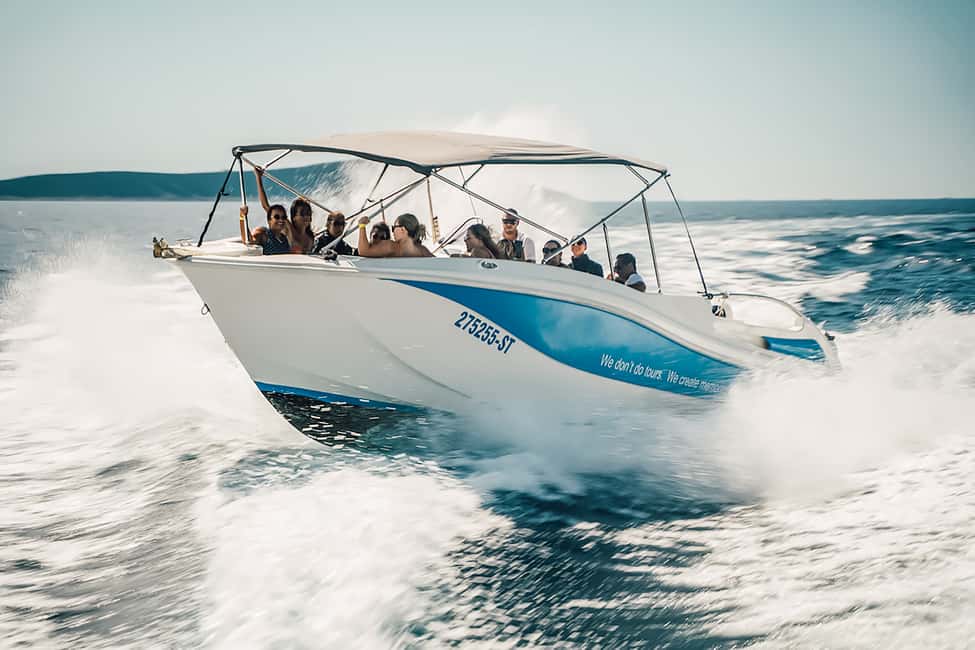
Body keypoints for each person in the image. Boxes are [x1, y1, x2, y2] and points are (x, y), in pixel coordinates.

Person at [254, 166, 314, 253]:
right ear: (294, 218)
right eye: (302, 213)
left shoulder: (311, 236)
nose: (306, 216)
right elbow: (266, 206)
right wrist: (258, 178)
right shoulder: (287, 227)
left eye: (308, 213)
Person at [357, 213, 434, 258]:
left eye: (394, 228)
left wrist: (362, 226)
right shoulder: (422, 250)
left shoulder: (392, 247)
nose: (392, 231)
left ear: (403, 230)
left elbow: (363, 251)